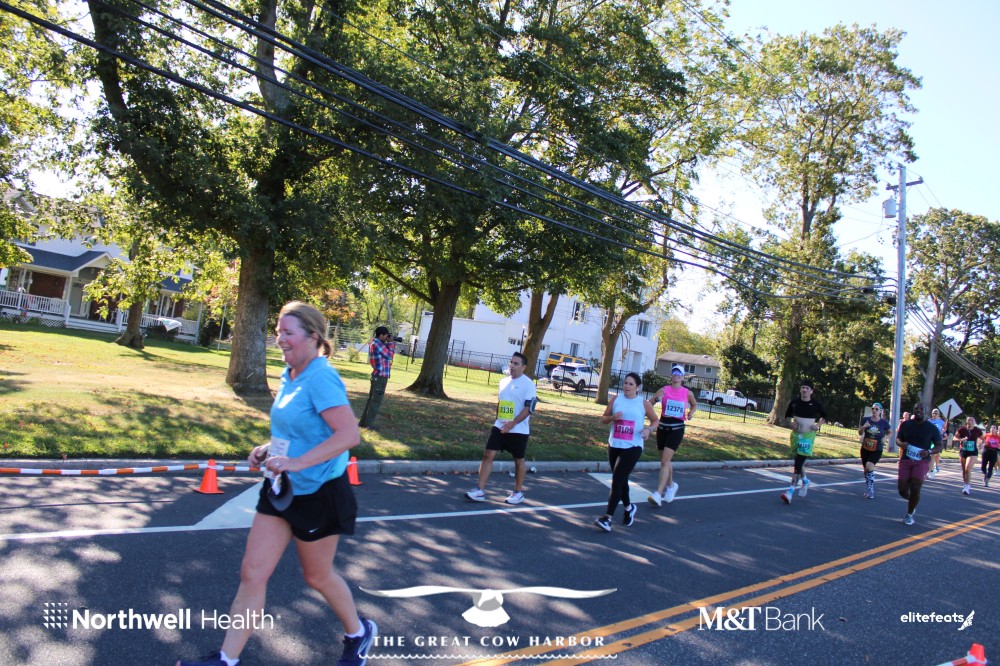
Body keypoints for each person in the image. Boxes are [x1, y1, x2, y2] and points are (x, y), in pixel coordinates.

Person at [176, 302, 376, 666]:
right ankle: (227, 659)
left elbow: (348, 435)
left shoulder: (321, 377)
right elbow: (297, 429)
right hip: (282, 488)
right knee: (252, 572)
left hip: (319, 493)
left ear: (313, 336)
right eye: (278, 331)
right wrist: (268, 449)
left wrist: (298, 462)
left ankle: (358, 632)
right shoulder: (290, 373)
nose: (280, 339)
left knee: (317, 576)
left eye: (288, 333)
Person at [465, 352, 537, 504]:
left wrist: (513, 423)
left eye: (516, 363)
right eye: (511, 362)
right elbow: (501, 403)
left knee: (518, 460)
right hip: (500, 426)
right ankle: (480, 490)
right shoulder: (503, 382)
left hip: (518, 429)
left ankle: (518, 492)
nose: (512, 366)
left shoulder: (528, 384)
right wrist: (499, 420)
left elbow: (529, 409)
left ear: (524, 367)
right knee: (487, 454)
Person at [593, 372, 659, 532]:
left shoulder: (643, 403)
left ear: (637, 387)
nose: (627, 386)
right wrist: (613, 418)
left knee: (617, 480)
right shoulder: (616, 399)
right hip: (615, 444)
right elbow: (603, 419)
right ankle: (629, 508)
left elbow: (655, 420)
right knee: (621, 480)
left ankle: (607, 518)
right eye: (625, 383)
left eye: (631, 384)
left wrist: (648, 430)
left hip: (633, 446)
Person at [647, 365, 697, 507]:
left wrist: (691, 413)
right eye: (674, 372)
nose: (676, 375)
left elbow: (694, 404)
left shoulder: (687, 393)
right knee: (665, 461)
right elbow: (649, 404)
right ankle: (671, 485)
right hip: (663, 427)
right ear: (671, 375)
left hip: (677, 428)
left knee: (664, 461)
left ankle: (658, 494)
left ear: (683, 377)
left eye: (679, 373)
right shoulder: (663, 389)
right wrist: (657, 399)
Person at [780, 380, 828, 504]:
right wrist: (790, 424)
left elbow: (825, 417)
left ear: (811, 391)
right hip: (796, 435)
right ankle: (805, 481)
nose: (804, 390)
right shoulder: (794, 402)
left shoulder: (815, 404)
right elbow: (787, 416)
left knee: (798, 463)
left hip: (808, 436)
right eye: (803, 387)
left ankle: (790, 492)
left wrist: (818, 425)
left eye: (807, 388)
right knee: (798, 460)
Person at [896, 401, 942, 525]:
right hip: (906, 459)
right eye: (916, 409)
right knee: (902, 490)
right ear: (913, 411)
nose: (918, 411)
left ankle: (909, 514)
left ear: (925, 411)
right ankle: (913, 501)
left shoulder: (931, 428)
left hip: (922, 461)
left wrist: (929, 451)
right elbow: (898, 439)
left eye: (921, 409)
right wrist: (901, 444)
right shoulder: (906, 425)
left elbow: (939, 445)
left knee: (916, 487)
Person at [358, 326, 396, 429]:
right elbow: (389, 356)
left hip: (377, 375)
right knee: (375, 401)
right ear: (381, 335)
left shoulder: (375, 343)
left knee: (371, 400)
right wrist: (391, 343)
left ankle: (363, 423)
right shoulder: (378, 344)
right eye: (386, 336)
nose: (387, 338)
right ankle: (369, 425)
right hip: (380, 376)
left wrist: (388, 343)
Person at [858, 402, 891, 499]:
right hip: (865, 448)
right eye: (873, 409)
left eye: (876, 409)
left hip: (877, 449)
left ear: (880, 411)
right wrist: (864, 427)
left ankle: (871, 490)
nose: (874, 410)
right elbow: (859, 432)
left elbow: (890, 432)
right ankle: (869, 488)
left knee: (869, 466)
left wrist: (885, 438)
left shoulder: (883, 422)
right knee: (866, 470)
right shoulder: (866, 419)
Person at [955, 416, 984, 495]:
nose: (970, 421)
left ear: (974, 422)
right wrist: (960, 439)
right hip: (963, 451)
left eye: (972, 420)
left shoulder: (977, 430)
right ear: (966, 421)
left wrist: (981, 444)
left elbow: (983, 438)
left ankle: (967, 486)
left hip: (973, 452)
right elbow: (955, 437)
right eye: (968, 420)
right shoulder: (962, 429)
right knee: (964, 470)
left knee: (968, 468)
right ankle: (965, 483)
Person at [926, 408, 947, 479]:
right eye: (933, 413)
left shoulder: (941, 422)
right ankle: (929, 469)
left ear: (938, 414)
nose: (934, 414)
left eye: (936, 413)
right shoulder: (928, 421)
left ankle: (929, 472)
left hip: (936, 440)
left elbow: (945, 428)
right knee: (926, 455)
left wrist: (942, 431)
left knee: (932, 455)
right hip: (928, 440)